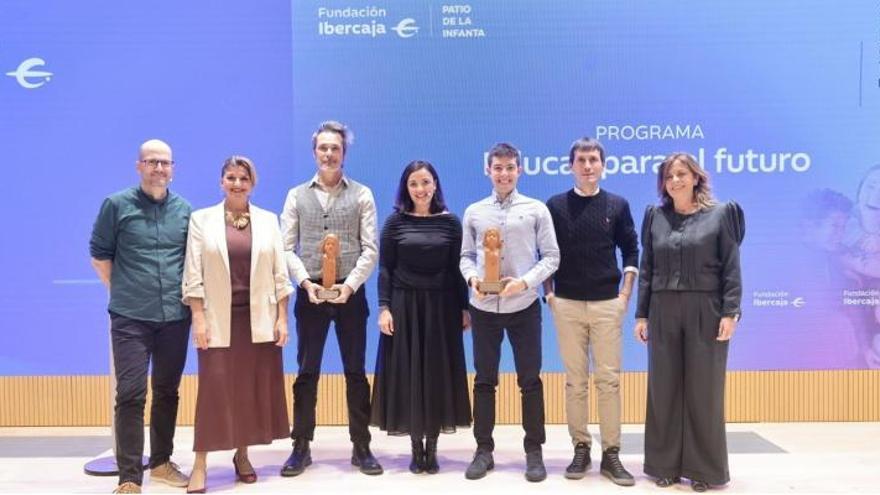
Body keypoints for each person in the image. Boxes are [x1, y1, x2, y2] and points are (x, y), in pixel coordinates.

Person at [181, 156, 293, 493]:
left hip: (258, 319)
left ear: (252, 184)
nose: (237, 184)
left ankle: (242, 456)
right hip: (217, 319)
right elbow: (193, 273)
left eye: (244, 178)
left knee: (248, 391)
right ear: (221, 182)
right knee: (213, 392)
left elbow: (280, 274)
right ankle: (200, 463)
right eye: (231, 177)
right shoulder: (201, 220)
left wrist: (282, 318)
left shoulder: (268, 220)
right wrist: (198, 318)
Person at [634, 152, 744, 492]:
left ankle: (704, 471)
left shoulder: (721, 214)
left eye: (681, 174)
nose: (675, 181)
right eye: (669, 176)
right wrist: (641, 314)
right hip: (662, 310)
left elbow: (731, 266)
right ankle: (663, 466)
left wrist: (731, 312)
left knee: (704, 391)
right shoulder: (655, 217)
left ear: (696, 177)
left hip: (706, 309)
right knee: (663, 389)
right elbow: (647, 269)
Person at [280, 120, 382, 476]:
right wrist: (305, 283)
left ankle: (361, 446)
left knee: (356, 372)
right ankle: (300, 446)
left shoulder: (363, 194)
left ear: (344, 153)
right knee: (306, 372)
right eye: (323, 148)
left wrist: (349, 286)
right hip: (310, 294)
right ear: (314, 152)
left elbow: (370, 248)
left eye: (335, 148)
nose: (328, 154)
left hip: (350, 294)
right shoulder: (296, 196)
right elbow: (286, 247)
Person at [89, 139, 192, 494]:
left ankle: (161, 463)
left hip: (175, 317)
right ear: (139, 166)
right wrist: (124, 290)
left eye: (165, 162)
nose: (158, 168)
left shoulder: (185, 210)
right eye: (151, 162)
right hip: (130, 317)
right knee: (131, 394)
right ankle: (130, 477)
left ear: (173, 169)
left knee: (167, 391)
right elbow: (99, 255)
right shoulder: (116, 205)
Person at [460, 143, 560, 482]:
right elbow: (465, 257)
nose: (504, 173)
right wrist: (472, 279)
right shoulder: (474, 212)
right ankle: (483, 450)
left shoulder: (536, 210)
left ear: (520, 170)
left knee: (530, 380)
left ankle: (534, 451)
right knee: (484, 380)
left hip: (524, 306)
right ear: (487, 170)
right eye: (498, 167)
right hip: (484, 308)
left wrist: (524, 283)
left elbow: (551, 257)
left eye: (510, 167)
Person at [544, 137, 638, 486]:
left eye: (593, 159)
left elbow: (631, 249)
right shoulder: (555, 206)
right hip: (566, 304)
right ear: (571, 165)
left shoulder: (617, 204)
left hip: (607, 304)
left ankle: (611, 453)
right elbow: (546, 253)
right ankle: (580, 447)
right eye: (581, 160)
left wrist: (625, 294)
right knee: (575, 381)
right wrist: (549, 294)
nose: (587, 166)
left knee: (609, 381)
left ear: (602, 165)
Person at [370, 160, 471, 474]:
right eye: (414, 183)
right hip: (405, 306)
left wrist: (464, 308)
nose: (421, 189)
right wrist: (384, 308)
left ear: (435, 184)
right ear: (406, 188)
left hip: (442, 307)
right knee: (410, 374)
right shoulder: (394, 223)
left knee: (437, 374)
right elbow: (385, 269)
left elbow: (458, 270)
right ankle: (416, 447)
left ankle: (433, 447)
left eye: (426, 182)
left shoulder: (451, 223)